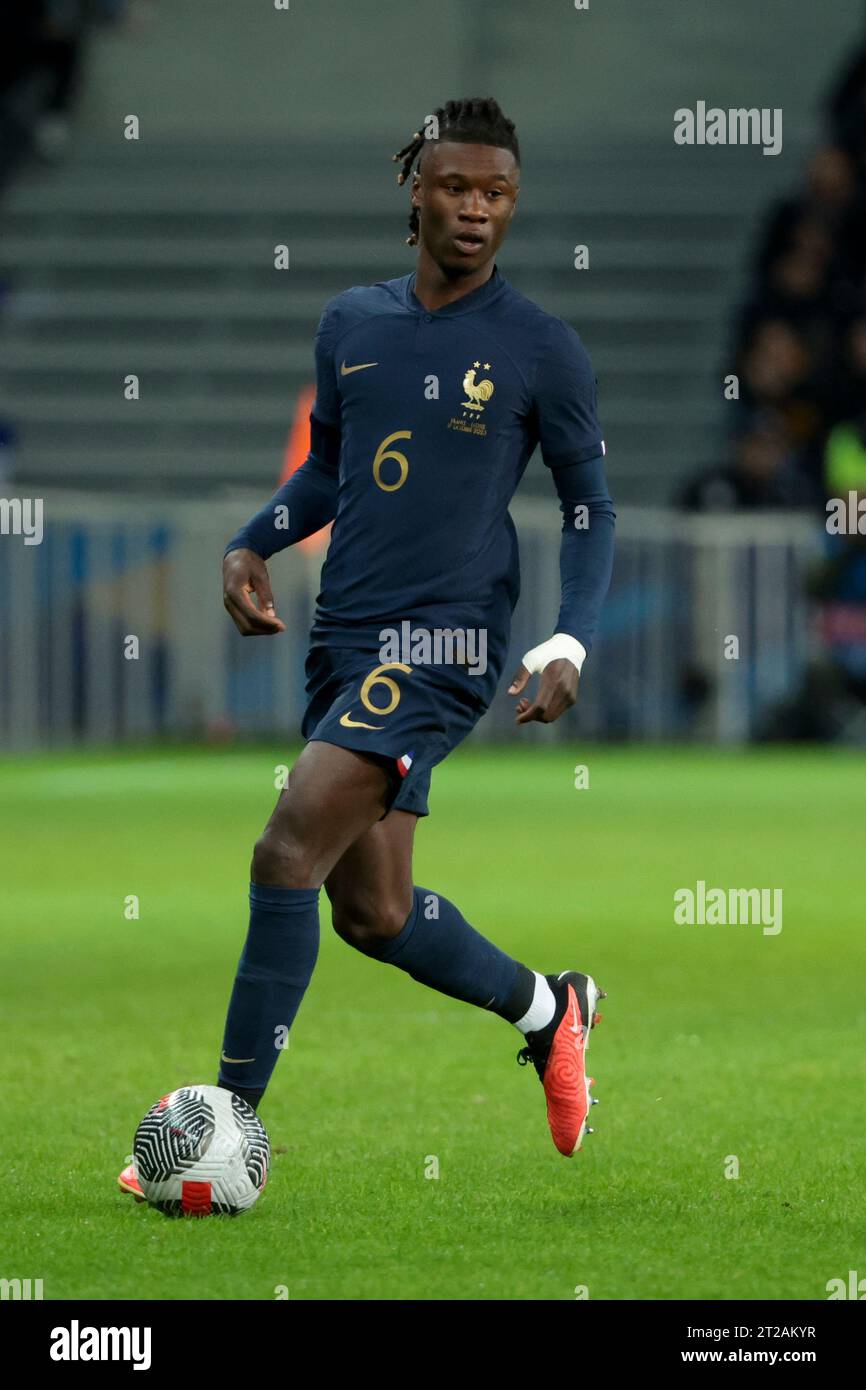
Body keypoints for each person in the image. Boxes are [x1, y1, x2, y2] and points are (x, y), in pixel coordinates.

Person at [118, 98, 615, 1197]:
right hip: (345, 638)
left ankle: (219, 1131)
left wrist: (568, 634)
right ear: (416, 190)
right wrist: (253, 543)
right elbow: (323, 474)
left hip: (444, 643)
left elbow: (590, 506)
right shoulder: (351, 323)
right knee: (372, 912)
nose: (476, 209)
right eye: (456, 187)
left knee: (284, 846)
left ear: (512, 203)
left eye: (496, 193)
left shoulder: (539, 347)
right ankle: (550, 1006)